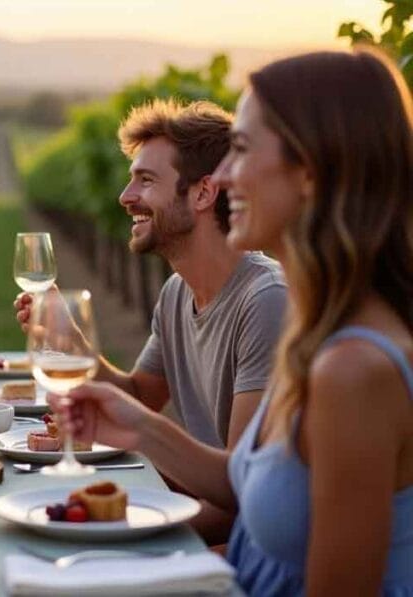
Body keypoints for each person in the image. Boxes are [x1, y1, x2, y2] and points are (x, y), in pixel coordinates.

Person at [65, 48, 413, 594]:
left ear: (310, 171)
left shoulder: (353, 368)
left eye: (243, 150)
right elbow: (249, 482)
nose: (223, 177)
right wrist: (137, 424)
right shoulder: (315, 325)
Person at [16, 99, 286, 543]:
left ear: (202, 193)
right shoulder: (177, 291)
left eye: (145, 180)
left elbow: (242, 493)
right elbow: (140, 395)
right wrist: (72, 342)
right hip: (207, 510)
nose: (125, 198)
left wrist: (116, 527)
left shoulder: (264, 301)